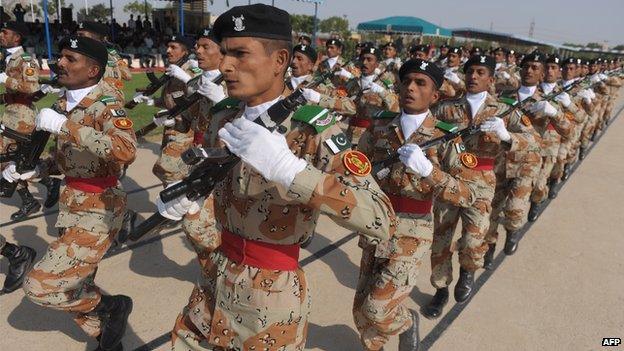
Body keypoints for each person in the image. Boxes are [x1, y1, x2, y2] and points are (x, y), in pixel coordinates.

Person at [165, 5, 396, 350]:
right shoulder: (223, 116)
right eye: (224, 52)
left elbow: (380, 217)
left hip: (269, 299)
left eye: (240, 54)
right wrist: (187, 197)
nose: (226, 65)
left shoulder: (313, 127)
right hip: (215, 276)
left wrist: (294, 172)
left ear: (279, 60)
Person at [8, 35, 137, 351]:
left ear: (93, 70)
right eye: (60, 57)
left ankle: (111, 307)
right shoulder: (64, 104)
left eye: (70, 59)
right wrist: (38, 170)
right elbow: (70, 158)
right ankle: (106, 339)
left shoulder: (106, 106)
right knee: (79, 279)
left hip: (99, 208)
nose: (59, 63)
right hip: (73, 203)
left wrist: (66, 127)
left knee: (41, 287)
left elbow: (125, 149)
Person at [353, 58, 489, 351]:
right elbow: (355, 167)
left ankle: (406, 321)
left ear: (435, 96)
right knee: (362, 312)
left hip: (412, 233)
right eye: (406, 82)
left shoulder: (445, 138)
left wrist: (430, 172)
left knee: (378, 308)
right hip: (375, 225)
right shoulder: (379, 127)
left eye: (420, 83)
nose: (411, 88)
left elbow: (469, 194)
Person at [423, 55, 539, 318]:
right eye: (470, 72)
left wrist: (507, 135)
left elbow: (534, 142)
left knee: (474, 237)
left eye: (480, 72)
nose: (474, 76)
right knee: (441, 238)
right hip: (450, 180)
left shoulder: (504, 111)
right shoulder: (446, 109)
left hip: (483, 181)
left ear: (491, 78)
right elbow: (426, 133)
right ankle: (440, 289)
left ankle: (467, 271)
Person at [0, 21, 42, 221]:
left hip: (22, 116)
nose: (1, 34)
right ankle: (31, 199)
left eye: (5, 32)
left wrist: (5, 80)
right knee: (10, 160)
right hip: (11, 113)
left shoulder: (25, 59)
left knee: (16, 160)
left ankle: (46, 183)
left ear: (16, 37)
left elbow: (33, 88)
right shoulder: (7, 58)